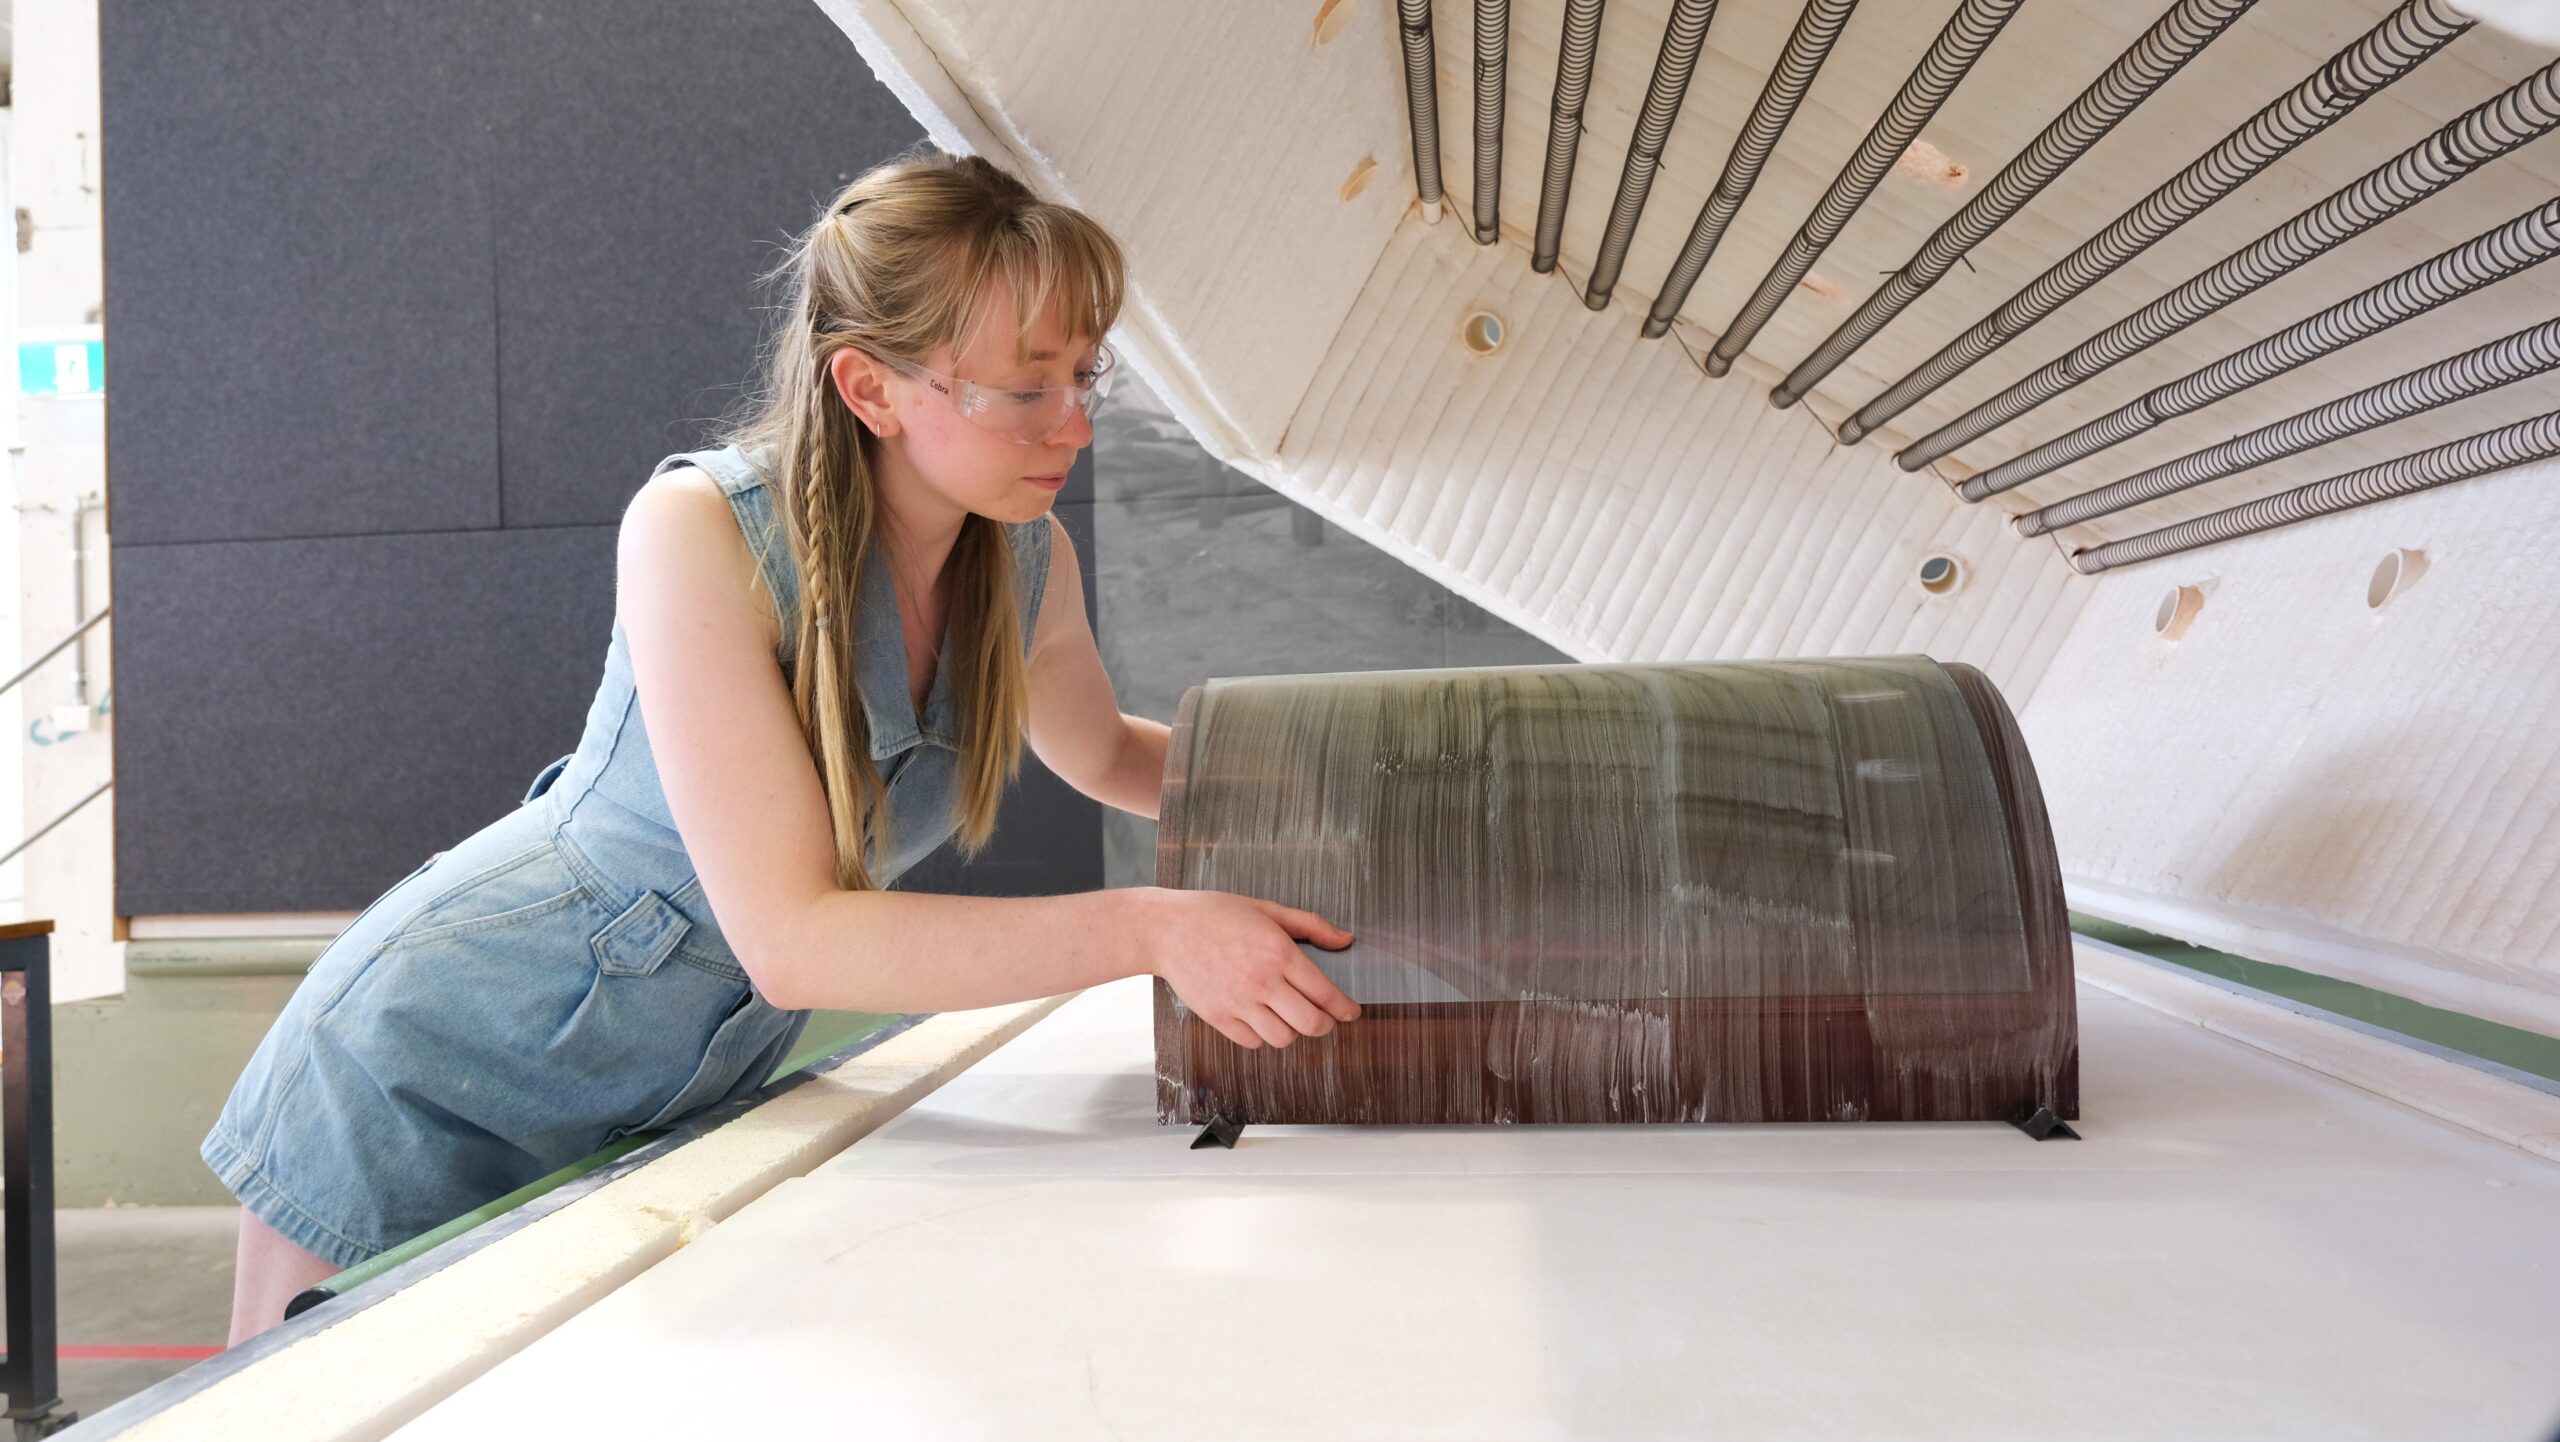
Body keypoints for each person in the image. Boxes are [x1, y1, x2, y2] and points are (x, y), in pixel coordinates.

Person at [205, 149, 1362, 1343]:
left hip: (674, 1086)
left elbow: (1105, 750)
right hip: (429, 1064)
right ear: (870, 387)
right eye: (1027, 387)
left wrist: (1348, 789)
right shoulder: (699, 530)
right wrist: (1158, 926)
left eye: (1085, 375)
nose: (1072, 422)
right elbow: (795, 940)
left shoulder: (1025, 557)